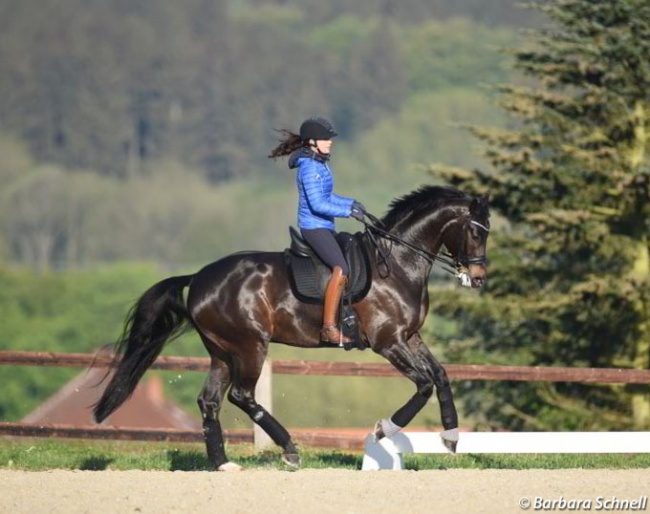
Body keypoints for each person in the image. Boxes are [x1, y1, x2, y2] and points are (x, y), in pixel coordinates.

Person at [269, 116, 366, 344]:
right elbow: (318, 205)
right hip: (314, 228)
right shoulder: (310, 168)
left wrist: (351, 203)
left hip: (324, 225)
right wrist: (348, 212)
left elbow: (328, 197)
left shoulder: (319, 163)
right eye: (325, 139)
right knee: (341, 268)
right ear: (312, 142)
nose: (330, 142)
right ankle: (329, 328)